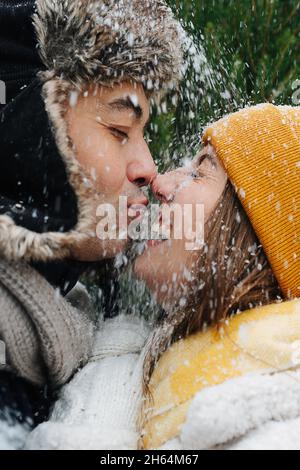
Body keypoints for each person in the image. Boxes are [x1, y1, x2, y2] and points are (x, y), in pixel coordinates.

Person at [0, 0, 182, 449]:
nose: (149, 168)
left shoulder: (69, 336)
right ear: (35, 132)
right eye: (119, 131)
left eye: (143, 137)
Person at [133, 103, 300, 450]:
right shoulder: (165, 368)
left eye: (200, 172)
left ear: (248, 237)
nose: (160, 183)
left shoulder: (274, 436)